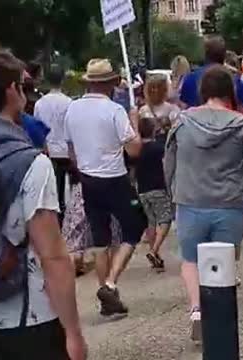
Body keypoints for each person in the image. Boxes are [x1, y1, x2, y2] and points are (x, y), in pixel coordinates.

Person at [0, 42, 86, 360]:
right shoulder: (29, 162)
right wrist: (73, 333)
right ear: (14, 90)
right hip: (30, 318)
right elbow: (53, 256)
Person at [164, 65, 243, 341]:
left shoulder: (182, 122)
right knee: (226, 259)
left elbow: (169, 162)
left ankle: (197, 309)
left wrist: (173, 189)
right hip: (231, 203)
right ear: (229, 91)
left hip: (190, 200)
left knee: (190, 259)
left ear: (203, 91)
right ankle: (221, 317)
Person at [64, 58, 145, 317]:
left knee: (100, 238)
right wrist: (134, 124)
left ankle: (105, 296)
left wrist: (85, 167)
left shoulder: (73, 109)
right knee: (135, 226)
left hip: (88, 178)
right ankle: (110, 283)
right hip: (114, 178)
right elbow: (134, 149)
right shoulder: (114, 110)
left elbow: (71, 150)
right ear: (111, 83)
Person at [34, 64, 73, 220]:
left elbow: (38, 129)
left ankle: (56, 217)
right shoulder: (69, 102)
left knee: (54, 189)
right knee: (69, 188)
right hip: (66, 150)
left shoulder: (40, 103)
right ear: (63, 80)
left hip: (48, 150)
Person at [137, 117, 172, 271]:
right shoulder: (158, 148)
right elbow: (166, 167)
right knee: (165, 219)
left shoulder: (135, 150)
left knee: (150, 222)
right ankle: (154, 250)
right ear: (153, 130)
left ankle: (155, 254)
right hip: (158, 188)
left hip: (142, 190)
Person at [181, 36, 234, 108]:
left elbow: (184, 107)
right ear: (224, 55)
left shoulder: (190, 78)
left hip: (196, 118)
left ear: (205, 54)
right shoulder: (233, 79)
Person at [140, 74, 180, 142]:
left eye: (158, 88)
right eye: (152, 88)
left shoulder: (142, 111)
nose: (155, 91)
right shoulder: (142, 110)